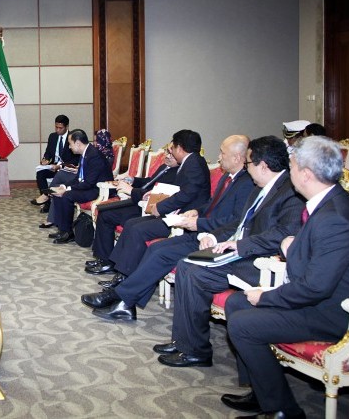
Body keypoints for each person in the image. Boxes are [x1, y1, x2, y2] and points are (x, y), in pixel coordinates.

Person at [223, 136, 349, 418]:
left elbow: (315, 287)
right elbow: (314, 260)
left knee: (244, 324)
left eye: (293, 166)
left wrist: (266, 296)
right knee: (236, 304)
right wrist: (292, 247)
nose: (289, 171)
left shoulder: (334, 216)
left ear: (306, 175)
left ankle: (283, 409)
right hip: (323, 297)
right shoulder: (327, 202)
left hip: (339, 310)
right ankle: (261, 391)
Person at [155, 135, 306, 368]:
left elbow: (283, 234)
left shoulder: (290, 193)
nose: (246, 168)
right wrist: (214, 236)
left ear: (263, 166)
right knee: (187, 265)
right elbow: (239, 224)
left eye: (249, 164)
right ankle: (185, 342)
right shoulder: (260, 187)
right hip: (240, 254)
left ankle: (195, 350)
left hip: (261, 262)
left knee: (193, 271)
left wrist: (239, 246)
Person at [83, 135, 254, 321]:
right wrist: (197, 211)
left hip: (212, 237)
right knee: (154, 245)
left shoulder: (244, 183)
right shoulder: (228, 178)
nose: (219, 157)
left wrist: (196, 222)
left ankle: (121, 296)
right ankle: (123, 296)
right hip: (196, 225)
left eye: (222, 152)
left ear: (237, 158)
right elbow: (211, 204)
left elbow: (234, 221)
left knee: (147, 239)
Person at [86, 130, 210, 275]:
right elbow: (179, 190)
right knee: (127, 222)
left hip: (181, 217)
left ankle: (124, 274)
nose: (168, 154)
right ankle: (116, 266)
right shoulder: (190, 162)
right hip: (165, 208)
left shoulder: (192, 163)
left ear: (179, 148)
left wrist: (159, 205)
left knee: (134, 227)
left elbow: (186, 194)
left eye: (172, 149)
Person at [84, 149, 179, 267]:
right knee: (105, 213)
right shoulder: (164, 167)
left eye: (171, 154)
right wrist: (133, 180)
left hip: (148, 209)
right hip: (138, 202)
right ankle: (104, 259)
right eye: (167, 152)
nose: (167, 156)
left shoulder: (179, 173)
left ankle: (114, 263)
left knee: (124, 220)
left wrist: (132, 190)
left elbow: (156, 194)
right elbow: (150, 181)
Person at [46, 129, 113, 244]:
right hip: (89, 186)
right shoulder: (86, 153)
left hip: (99, 190)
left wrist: (67, 189)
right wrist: (63, 186)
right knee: (57, 193)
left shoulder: (94, 155)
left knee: (67, 196)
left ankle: (68, 233)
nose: (69, 147)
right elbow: (78, 178)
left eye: (70, 144)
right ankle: (62, 229)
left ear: (77, 143)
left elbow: (89, 182)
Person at [32, 115, 79, 207]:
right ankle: (47, 201)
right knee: (40, 173)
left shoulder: (72, 138)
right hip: (53, 167)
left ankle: (46, 198)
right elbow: (48, 152)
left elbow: (75, 159)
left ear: (66, 127)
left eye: (60, 128)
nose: (57, 130)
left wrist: (61, 165)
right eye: (56, 127)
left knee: (60, 175)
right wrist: (45, 160)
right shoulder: (52, 136)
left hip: (66, 168)